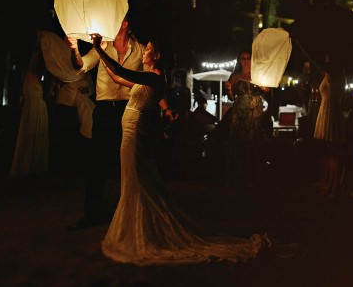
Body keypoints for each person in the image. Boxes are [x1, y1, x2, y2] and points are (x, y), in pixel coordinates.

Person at [90, 33, 273, 265]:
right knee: (133, 180)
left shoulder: (155, 77)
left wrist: (98, 47)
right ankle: (137, 228)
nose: (143, 52)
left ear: (157, 56)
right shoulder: (148, 78)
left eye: (148, 49)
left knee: (138, 181)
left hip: (136, 134)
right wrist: (97, 53)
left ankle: (146, 231)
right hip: (130, 133)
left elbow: (120, 70)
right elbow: (117, 76)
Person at [65, 15, 146, 231]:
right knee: (97, 163)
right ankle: (91, 214)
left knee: (130, 164)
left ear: (126, 23)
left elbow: (150, 79)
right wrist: (74, 48)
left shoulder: (140, 49)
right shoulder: (101, 47)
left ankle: (132, 214)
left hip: (129, 110)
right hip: (104, 111)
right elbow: (81, 66)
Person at [224, 48, 270, 188]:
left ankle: (253, 175)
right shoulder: (235, 76)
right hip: (240, 112)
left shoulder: (258, 74)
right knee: (239, 142)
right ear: (239, 60)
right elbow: (231, 98)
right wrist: (229, 90)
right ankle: (238, 176)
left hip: (255, 112)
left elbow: (268, 89)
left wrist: (263, 86)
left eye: (248, 58)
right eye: (243, 58)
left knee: (253, 141)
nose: (246, 61)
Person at [10, 42, 50, 178]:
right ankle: (27, 165)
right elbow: (33, 61)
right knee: (31, 133)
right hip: (33, 107)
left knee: (38, 134)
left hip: (38, 106)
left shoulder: (36, 76)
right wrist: (37, 48)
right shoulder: (29, 75)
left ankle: (35, 165)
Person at [313, 53, 347, 198]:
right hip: (326, 112)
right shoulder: (331, 74)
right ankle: (329, 184)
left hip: (330, 113)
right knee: (329, 153)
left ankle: (333, 185)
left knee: (333, 153)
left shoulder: (332, 75)